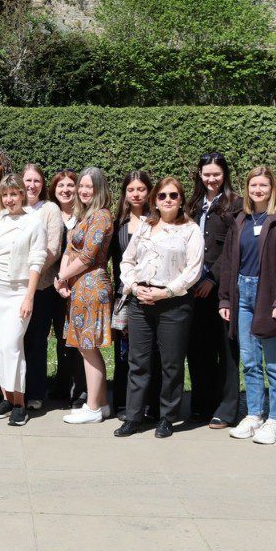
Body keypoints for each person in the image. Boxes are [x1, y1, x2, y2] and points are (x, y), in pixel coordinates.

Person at [115, 176, 203, 438]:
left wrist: (165, 292)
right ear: (154, 200)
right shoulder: (145, 226)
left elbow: (193, 270)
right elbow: (126, 261)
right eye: (162, 195)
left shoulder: (190, 230)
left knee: (171, 364)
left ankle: (167, 417)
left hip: (173, 303)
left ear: (181, 200)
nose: (167, 200)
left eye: (173, 195)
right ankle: (134, 416)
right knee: (138, 362)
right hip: (140, 301)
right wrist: (133, 285)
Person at [218, 166, 276, 445]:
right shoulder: (240, 218)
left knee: (274, 363)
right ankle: (254, 415)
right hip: (242, 293)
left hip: (268, 294)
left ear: (272, 188)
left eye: (263, 185)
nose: (258, 190)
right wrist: (225, 298)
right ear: (247, 188)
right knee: (250, 361)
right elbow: (228, 262)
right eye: (253, 185)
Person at [0, 175, 46, 426]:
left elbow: (37, 261)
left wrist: (29, 297)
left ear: (22, 195)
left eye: (14, 194)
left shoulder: (34, 223)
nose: (9, 199)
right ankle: (7, 398)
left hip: (19, 292)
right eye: (5, 195)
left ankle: (20, 403)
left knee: (11, 346)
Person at [56, 167, 115, 425]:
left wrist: (61, 276)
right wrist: (63, 279)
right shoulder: (85, 216)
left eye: (89, 186)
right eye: (82, 185)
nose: (83, 190)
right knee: (85, 348)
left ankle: (92, 408)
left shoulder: (101, 216)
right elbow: (70, 250)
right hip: (79, 287)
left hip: (92, 287)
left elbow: (88, 256)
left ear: (99, 189)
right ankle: (101, 404)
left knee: (89, 348)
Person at [187, 152, 241, 429]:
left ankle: (227, 408)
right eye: (207, 174)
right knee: (198, 348)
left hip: (222, 288)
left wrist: (212, 278)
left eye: (216, 174)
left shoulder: (236, 204)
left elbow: (234, 246)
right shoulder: (193, 205)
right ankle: (201, 404)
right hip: (194, 289)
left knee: (226, 348)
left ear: (225, 175)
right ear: (200, 174)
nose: (211, 179)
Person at [110, 171, 160, 420]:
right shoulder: (118, 224)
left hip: (154, 294)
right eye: (131, 190)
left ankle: (152, 406)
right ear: (125, 193)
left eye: (141, 189)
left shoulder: (158, 222)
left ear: (149, 192)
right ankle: (124, 404)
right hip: (125, 295)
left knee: (152, 353)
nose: (136, 194)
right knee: (124, 353)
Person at [21, 163, 62, 410]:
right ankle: (14, 392)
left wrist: (31, 277)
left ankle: (35, 393)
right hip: (13, 287)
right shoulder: (12, 206)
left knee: (36, 341)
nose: (32, 185)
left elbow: (53, 249)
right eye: (28, 180)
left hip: (41, 287)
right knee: (15, 341)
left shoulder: (50, 210)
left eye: (37, 180)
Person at [47, 168, 85, 408]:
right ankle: (61, 384)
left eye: (70, 185)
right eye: (61, 185)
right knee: (56, 338)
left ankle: (79, 388)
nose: (66, 190)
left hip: (74, 285)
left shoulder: (84, 216)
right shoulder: (48, 213)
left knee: (72, 338)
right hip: (47, 284)